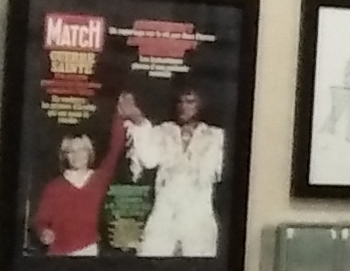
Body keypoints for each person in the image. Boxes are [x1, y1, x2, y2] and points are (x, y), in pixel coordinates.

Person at [122, 81, 229, 260]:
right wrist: (138, 121)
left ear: (201, 104)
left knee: (198, 268)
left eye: (190, 102)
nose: (184, 107)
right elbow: (148, 159)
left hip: (198, 216)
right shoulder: (164, 131)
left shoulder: (216, 136)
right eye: (180, 102)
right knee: (152, 262)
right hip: (165, 213)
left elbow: (220, 171)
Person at [28, 126, 111, 258]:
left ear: (89, 153)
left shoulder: (100, 181)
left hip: (89, 251)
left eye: (81, 150)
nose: (76, 155)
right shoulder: (54, 187)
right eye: (71, 151)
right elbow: (40, 220)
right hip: (59, 254)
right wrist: (44, 232)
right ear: (65, 156)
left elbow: (115, 150)